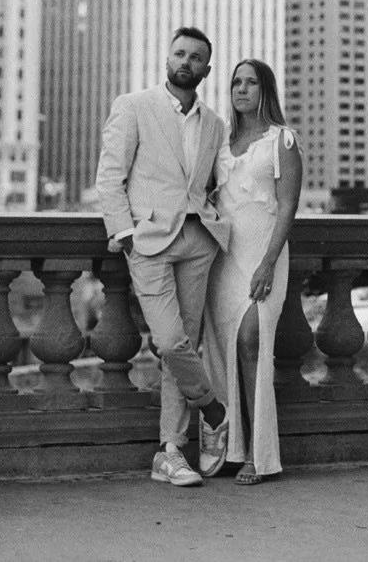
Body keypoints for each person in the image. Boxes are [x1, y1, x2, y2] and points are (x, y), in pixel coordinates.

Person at [96, 26, 230, 488]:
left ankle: (170, 452)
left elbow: (214, 182)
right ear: (167, 59)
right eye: (179, 54)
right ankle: (214, 410)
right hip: (149, 240)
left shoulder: (214, 123)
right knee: (171, 341)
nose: (186, 62)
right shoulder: (134, 106)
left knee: (184, 346)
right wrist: (126, 235)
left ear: (206, 70)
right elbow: (109, 177)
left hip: (199, 242)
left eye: (196, 57)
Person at [201, 58, 302, 485]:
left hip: (264, 258)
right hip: (223, 262)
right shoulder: (221, 145)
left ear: (266, 90)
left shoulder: (283, 141)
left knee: (251, 341)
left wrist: (268, 261)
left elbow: (288, 208)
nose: (242, 89)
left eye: (251, 83)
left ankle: (260, 456)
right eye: (236, 83)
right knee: (222, 352)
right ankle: (230, 448)